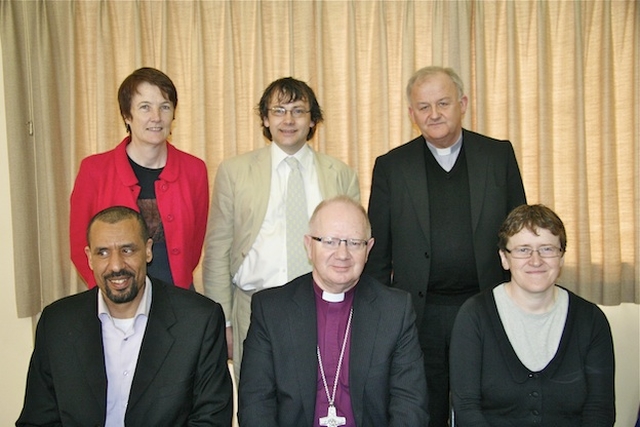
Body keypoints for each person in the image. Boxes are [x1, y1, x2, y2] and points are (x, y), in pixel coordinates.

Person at [364, 65, 527, 426]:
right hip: (420, 315)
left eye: (443, 103)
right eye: (423, 107)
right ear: (411, 114)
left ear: (463, 104)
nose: (434, 114)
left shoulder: (497, 156)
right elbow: (378, 253)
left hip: (488, 307)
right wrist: (379, 315)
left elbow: (521, 235)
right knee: (424, 408)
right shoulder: (392, 166)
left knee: (487, 406)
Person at [203, 77, 360, 382]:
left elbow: (354, 248)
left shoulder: (340, 174)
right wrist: (223, 322)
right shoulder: (234, 172)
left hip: (325, 308)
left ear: (313, 120)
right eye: (279, 110)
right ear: (265, 118)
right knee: (259, 399)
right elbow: (217, 251)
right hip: (254, 308)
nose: (288, 120)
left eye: (299, 111)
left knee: (322, 396)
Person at [17, 206, 233, 426]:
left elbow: (212, 419)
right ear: (89, 258)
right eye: (103, 252)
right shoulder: (57, 324)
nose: (116, 265)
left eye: (127, 250)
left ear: (148, 250)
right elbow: (38, 420)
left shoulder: (198, 321)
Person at [238, 196, 429, 426]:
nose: (342, 254)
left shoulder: (395, 311)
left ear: (368, 249)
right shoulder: (271, 310)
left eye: (354, 243)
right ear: (309, 245)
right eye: (329, 241)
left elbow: (410, 405)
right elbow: (256, 404)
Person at [450, 204, 615, 426]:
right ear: (504, 259)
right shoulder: (474, 317)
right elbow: (467, 408)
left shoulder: (591, 320)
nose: (536, 260)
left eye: (547, 249)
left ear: (562, 258)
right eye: (523, 250)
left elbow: (600, 410)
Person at [70, 67, 209, 290]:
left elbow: (195, 242)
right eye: (145, 107)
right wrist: (109, 291)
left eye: (165, 107)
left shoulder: (194, 169)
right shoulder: (94, 170)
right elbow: (80, 245)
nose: (156, 117)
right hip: (115, 294)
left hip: (177, 293)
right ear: (127, 115)